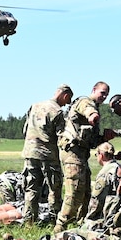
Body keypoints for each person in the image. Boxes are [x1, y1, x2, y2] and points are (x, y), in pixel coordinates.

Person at [54, 81, 115, 232]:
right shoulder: (85, 102)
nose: (104, 96)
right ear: (94, 90)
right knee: (74, 191)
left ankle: (81, 225)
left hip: (81, 155)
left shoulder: (95, 107)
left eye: (106, 94)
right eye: (102, 92)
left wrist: (104, 138)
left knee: (87, 193)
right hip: (72, 153)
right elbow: (87, 110)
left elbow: (92, 142)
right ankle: (60, 227)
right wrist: (92, 115)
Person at [21, 84, 73, 225]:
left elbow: (25, 129)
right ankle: (54, 220)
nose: (64, 105)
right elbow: (62, 137)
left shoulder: (34, 106)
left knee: (31, 188)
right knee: (54, 188)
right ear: (65, 96)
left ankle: (29, 221)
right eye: (66, 102)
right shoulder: (57, 112)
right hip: (48, 155)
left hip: (30, 152)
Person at [84, 142, 119, 224]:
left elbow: (97, 199)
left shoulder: (105, 173)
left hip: (107, 215)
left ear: (101, 155)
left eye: (96, 154)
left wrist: (89, 218)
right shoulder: (119, 167)